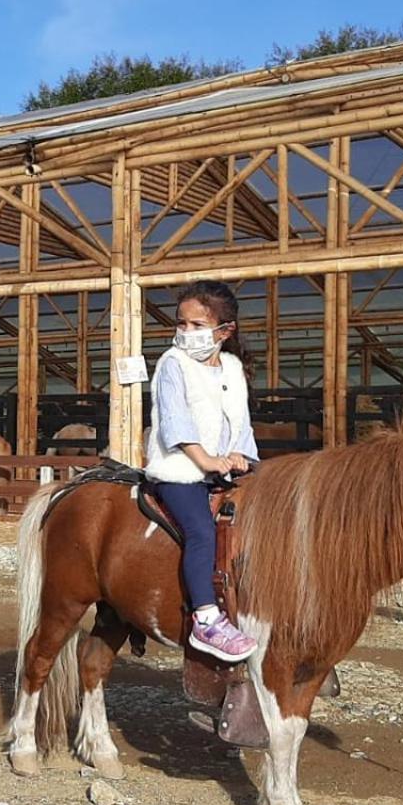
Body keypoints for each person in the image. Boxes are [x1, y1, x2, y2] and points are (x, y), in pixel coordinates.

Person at [143, 279, 260, 662]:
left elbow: (240, 425)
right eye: (182, 324)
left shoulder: (232, 367)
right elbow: (175, 424)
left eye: (196, 326)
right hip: (180, 471)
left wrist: (240, 455)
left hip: (223, 468)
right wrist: (207, 461)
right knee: (200, 531)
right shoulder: (171, 364)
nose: (186, 333)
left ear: (225, 331)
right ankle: (206, 619)